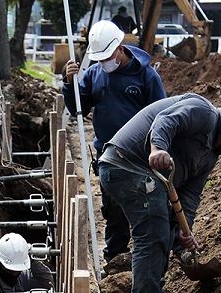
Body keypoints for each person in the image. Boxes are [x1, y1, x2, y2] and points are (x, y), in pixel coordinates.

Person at [97, 95, 221, 293]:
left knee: (163, 230)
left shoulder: (209, 156)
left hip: (141, 176)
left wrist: (183, 235)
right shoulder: (203, 111)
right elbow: (165, 121)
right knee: (154, 233)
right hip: (126, 164)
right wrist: (157, 149)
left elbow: (189, 197)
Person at [64, 21, 167, 263]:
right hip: (108, 155)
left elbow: (162, 114)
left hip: (140, 156)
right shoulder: (94, 74)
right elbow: (78, 107)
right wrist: (70, 84)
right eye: (99, 58)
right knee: (113, 209)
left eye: (107, 56)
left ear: (120, 48)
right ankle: (115, 256)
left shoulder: (146, 75)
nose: (104, 62)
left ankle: (148, 255)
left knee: (145, 207)